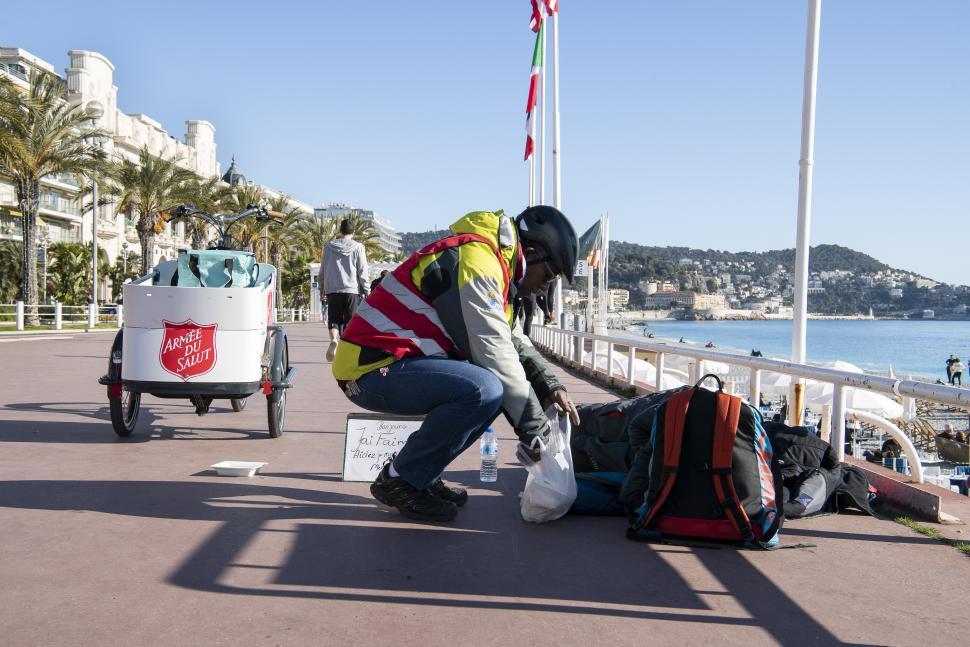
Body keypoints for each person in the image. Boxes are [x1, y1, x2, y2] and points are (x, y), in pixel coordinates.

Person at [332, 206, 581, 522]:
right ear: (530, 252)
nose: (547, 287)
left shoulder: (494, 268)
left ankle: (421, 474)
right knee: (484, 389)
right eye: (549, 275)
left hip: (396, 366)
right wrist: (536, 434)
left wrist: (550, 386)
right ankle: (400, 480)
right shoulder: (476, 262)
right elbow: (496, 356)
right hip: (372, 370)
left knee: (489, 394)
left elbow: (512, 342)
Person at [320, 219, 369, 361]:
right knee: (350, 322)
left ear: (340, 231)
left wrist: (322, 289)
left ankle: (334, 339)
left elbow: (322, 270)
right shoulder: (358, 247)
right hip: (351, 290)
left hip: (333, 290)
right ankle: (346, 351)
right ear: (353, 232)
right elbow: (362, 270)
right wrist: (366, 289)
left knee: (334, 319)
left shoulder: (328, 247)